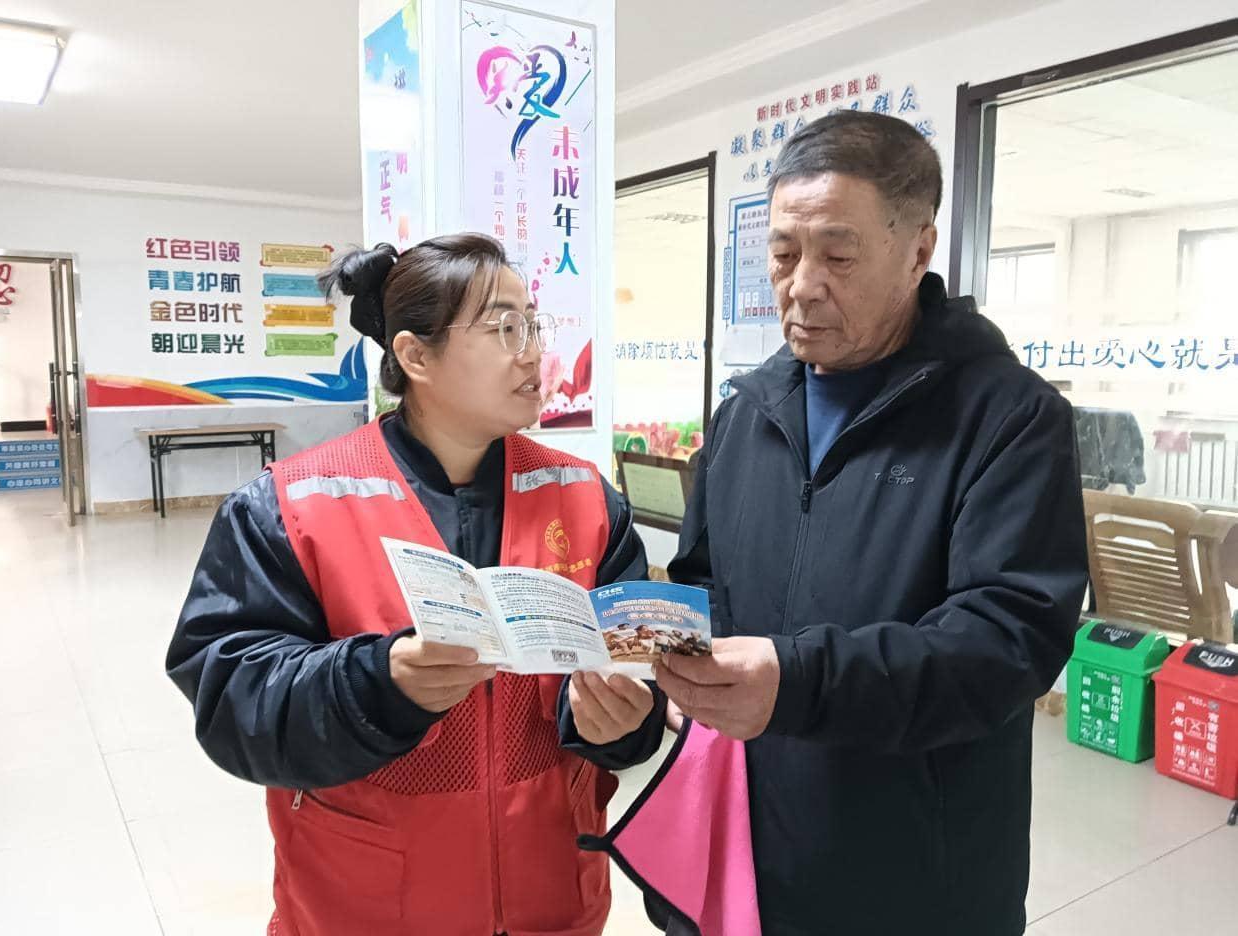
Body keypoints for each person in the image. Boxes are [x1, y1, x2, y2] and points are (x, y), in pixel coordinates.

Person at [655, 112, 1089, 935]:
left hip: (913, 871)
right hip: (745, 845)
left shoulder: (1007, 417)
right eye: (783, 253)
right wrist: (680, 669)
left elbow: (1007, 640)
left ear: (918, 250)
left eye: (838, 255)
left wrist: (797, 682)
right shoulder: (746, 413)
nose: (801, 285)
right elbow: (703, 578)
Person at [166, 233, 667, 936]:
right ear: (415, 356)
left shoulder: (583, 496)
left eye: (534, 325)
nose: (533, 353)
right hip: (367, 902)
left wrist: (622, 725)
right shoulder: (290, 506)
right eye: (504, 328)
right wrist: (376, 684)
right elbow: (229, 699)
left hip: (552, 894)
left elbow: (638, 677)